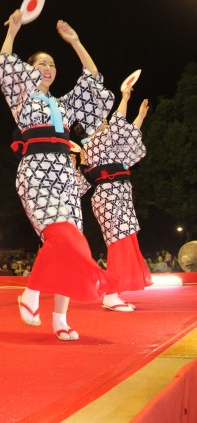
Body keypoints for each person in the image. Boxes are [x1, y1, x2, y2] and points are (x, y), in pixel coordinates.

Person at [0, 11, 117, 341]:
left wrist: (76, 42)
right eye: (40, 64)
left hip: (65, 175)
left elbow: (93, 82)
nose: (47, 69)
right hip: (36, 173)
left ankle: (61, 318)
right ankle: (31, 293)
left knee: (75, 244)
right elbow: (6, 63)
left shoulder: (63, 105)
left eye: (51, 64)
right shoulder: (21, 98)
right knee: (59, 237)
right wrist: (14, 30)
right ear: (28, 71)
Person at [79, 88, 152, 311]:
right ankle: (110, 295)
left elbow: (126, 141)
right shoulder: (92, 143)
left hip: (118, 193)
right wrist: (125, 98)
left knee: (124, 240)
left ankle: (114, 292)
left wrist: (139, 117)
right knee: (118, 242)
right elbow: (119, 125)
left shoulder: (105, 142)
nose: (105, 120)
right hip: (109, 194)